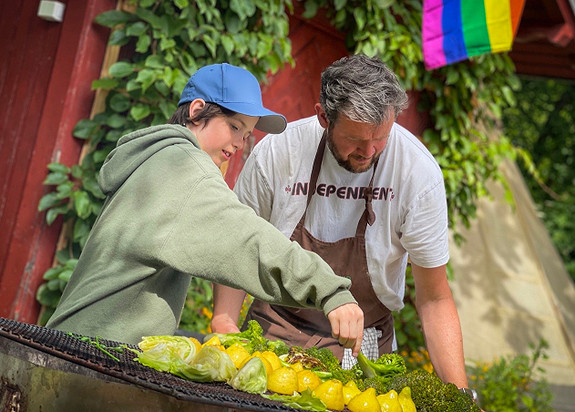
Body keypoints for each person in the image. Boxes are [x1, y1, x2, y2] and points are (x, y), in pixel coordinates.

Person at [46, 62, 364, 354]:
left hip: (76, 342)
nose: (240, 143)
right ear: (197, 111)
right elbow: (246, 238)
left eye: (247, 133)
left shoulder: (157, 160)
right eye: (233, 126)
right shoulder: (183, 168)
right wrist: (328, 290)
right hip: (90, 357)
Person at [211, 55, 470, 390]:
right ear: (324, 117)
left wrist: (461, 394)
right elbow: (239, 244)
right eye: (356, 139)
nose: (369, 151)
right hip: (275, 331)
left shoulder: (417, 173)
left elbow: (434, 298)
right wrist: (223, 319)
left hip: (361, 348)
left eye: (381, 138)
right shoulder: (280, 151)